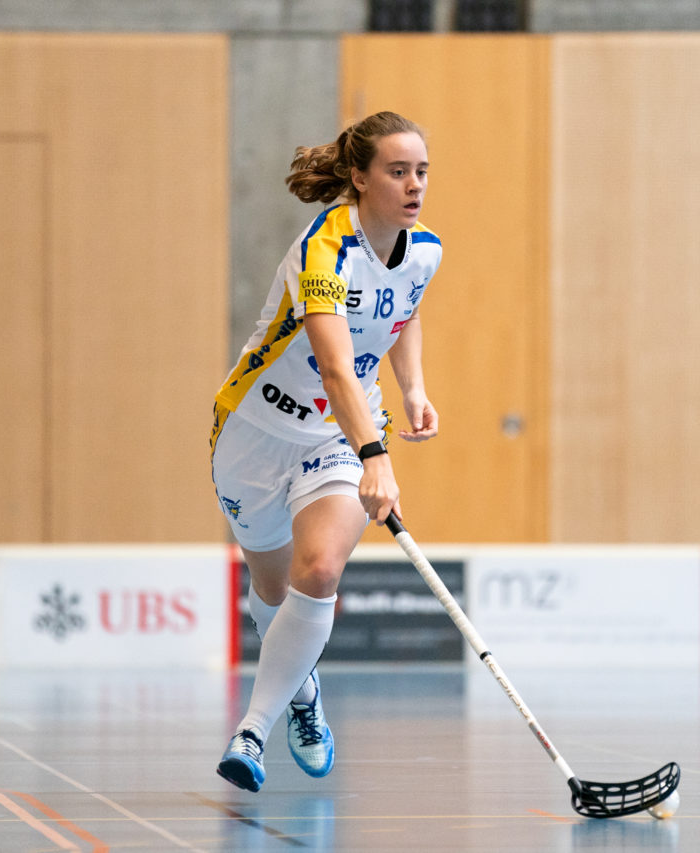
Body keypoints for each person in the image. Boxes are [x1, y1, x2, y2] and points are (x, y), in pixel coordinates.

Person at [210, 111, 442, 792]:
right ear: (361, 178)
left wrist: (413, 389)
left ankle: (253, 728)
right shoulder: (325, 248)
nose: (413, 184)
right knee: (273, 587)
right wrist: (379, 456)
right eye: (397, 171)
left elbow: (404, 308)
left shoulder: (425, 249)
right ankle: (302, 691)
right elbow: (336, 365)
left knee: (319, 568)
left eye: (421, 171)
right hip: (252, 431)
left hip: (335, 434)